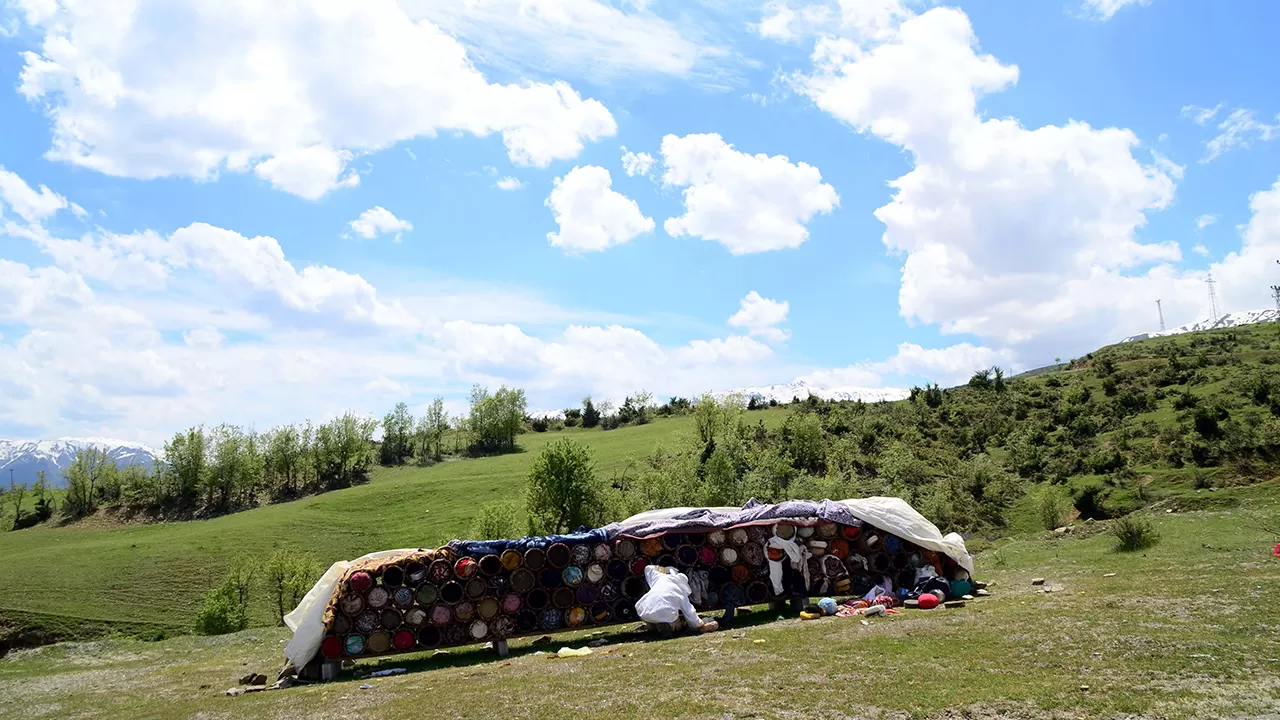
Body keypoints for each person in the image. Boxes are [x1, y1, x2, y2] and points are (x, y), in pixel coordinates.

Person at [635, 565, 719, 637]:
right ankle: (669, 626)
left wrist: (666, 569)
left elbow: (648, 568)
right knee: (671, 616)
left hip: (643, 611)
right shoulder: (680, 592)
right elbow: (690, 614)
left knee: (655, 613)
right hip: (665, 613)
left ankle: (654, 627)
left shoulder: (659, 578)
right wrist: (701, 624)